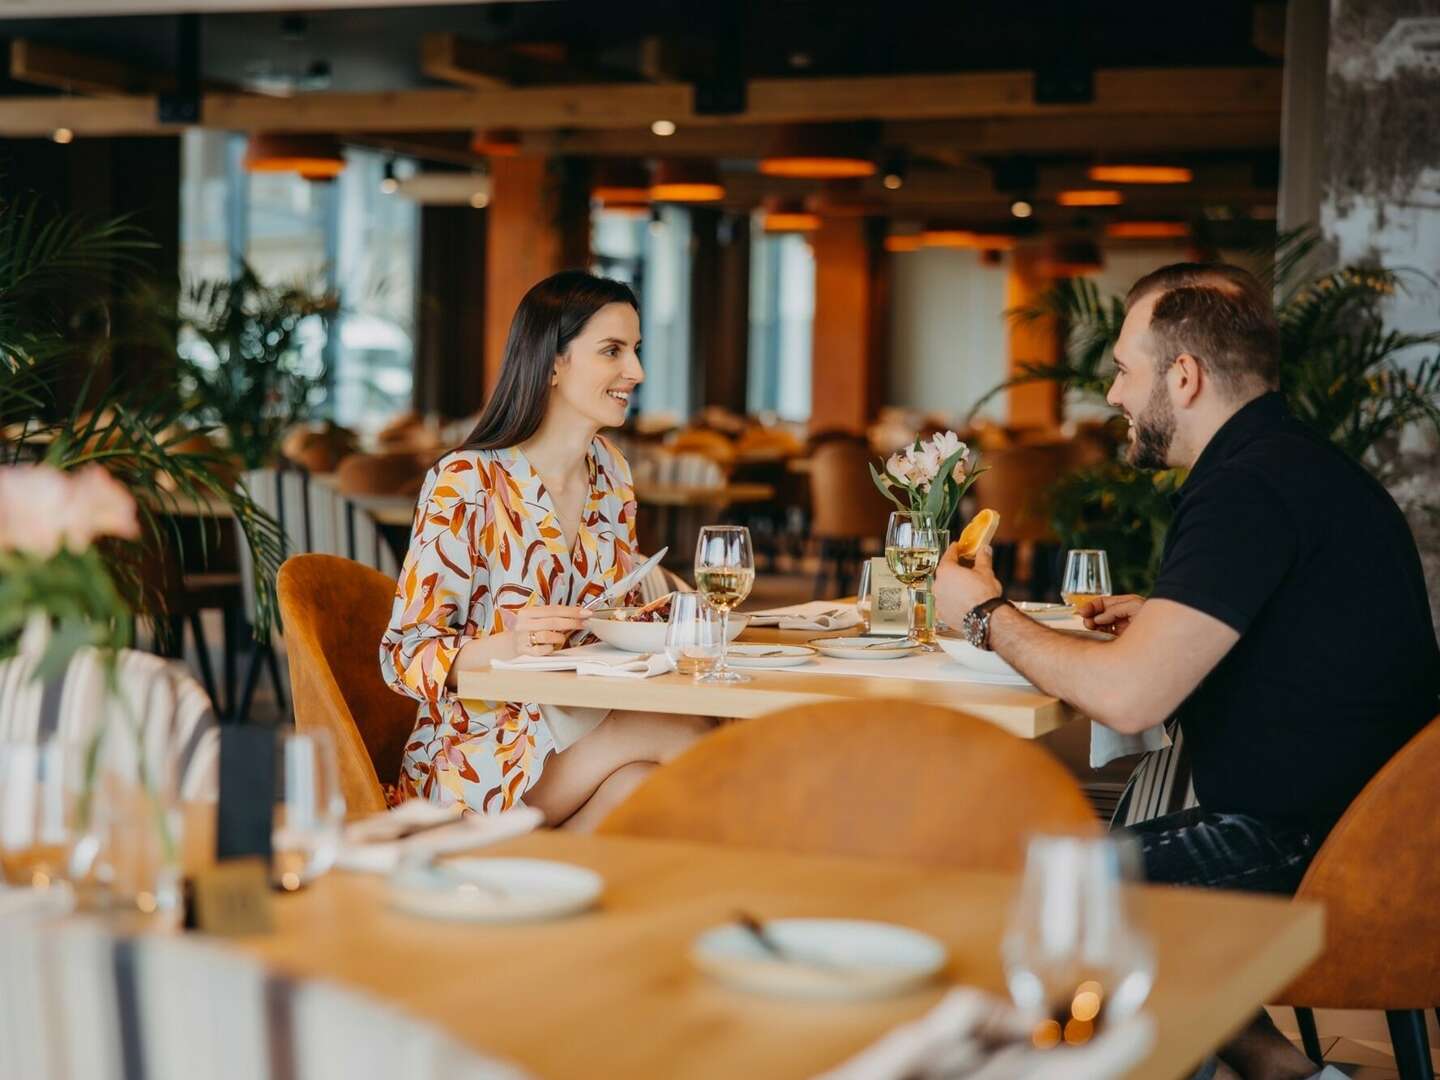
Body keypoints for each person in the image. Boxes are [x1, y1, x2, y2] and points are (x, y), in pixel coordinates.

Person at [934, 262, 1440, 1080]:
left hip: (1317, 849)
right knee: (1071, 873)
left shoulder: (1248, 487)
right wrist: (1171, 622)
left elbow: (1131, 693)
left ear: (1184, 374)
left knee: (1040, 899)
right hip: (1366, 831)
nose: (1114, 397)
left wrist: (982, 615)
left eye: (1124, 371)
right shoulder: (1294, 463)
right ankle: (1287, 1073)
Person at [380, 270, 709, 829]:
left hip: (582, 723)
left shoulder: (611, 473)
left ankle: (533, 887)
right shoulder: (466, 480)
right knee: (690, 734)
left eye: (635, 350)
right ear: (553, 363)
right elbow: (404, 655)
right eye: (613, 351)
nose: (637, 372)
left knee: (644, 791)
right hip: (482, 755)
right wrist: (509, 643)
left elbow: (612, 616)